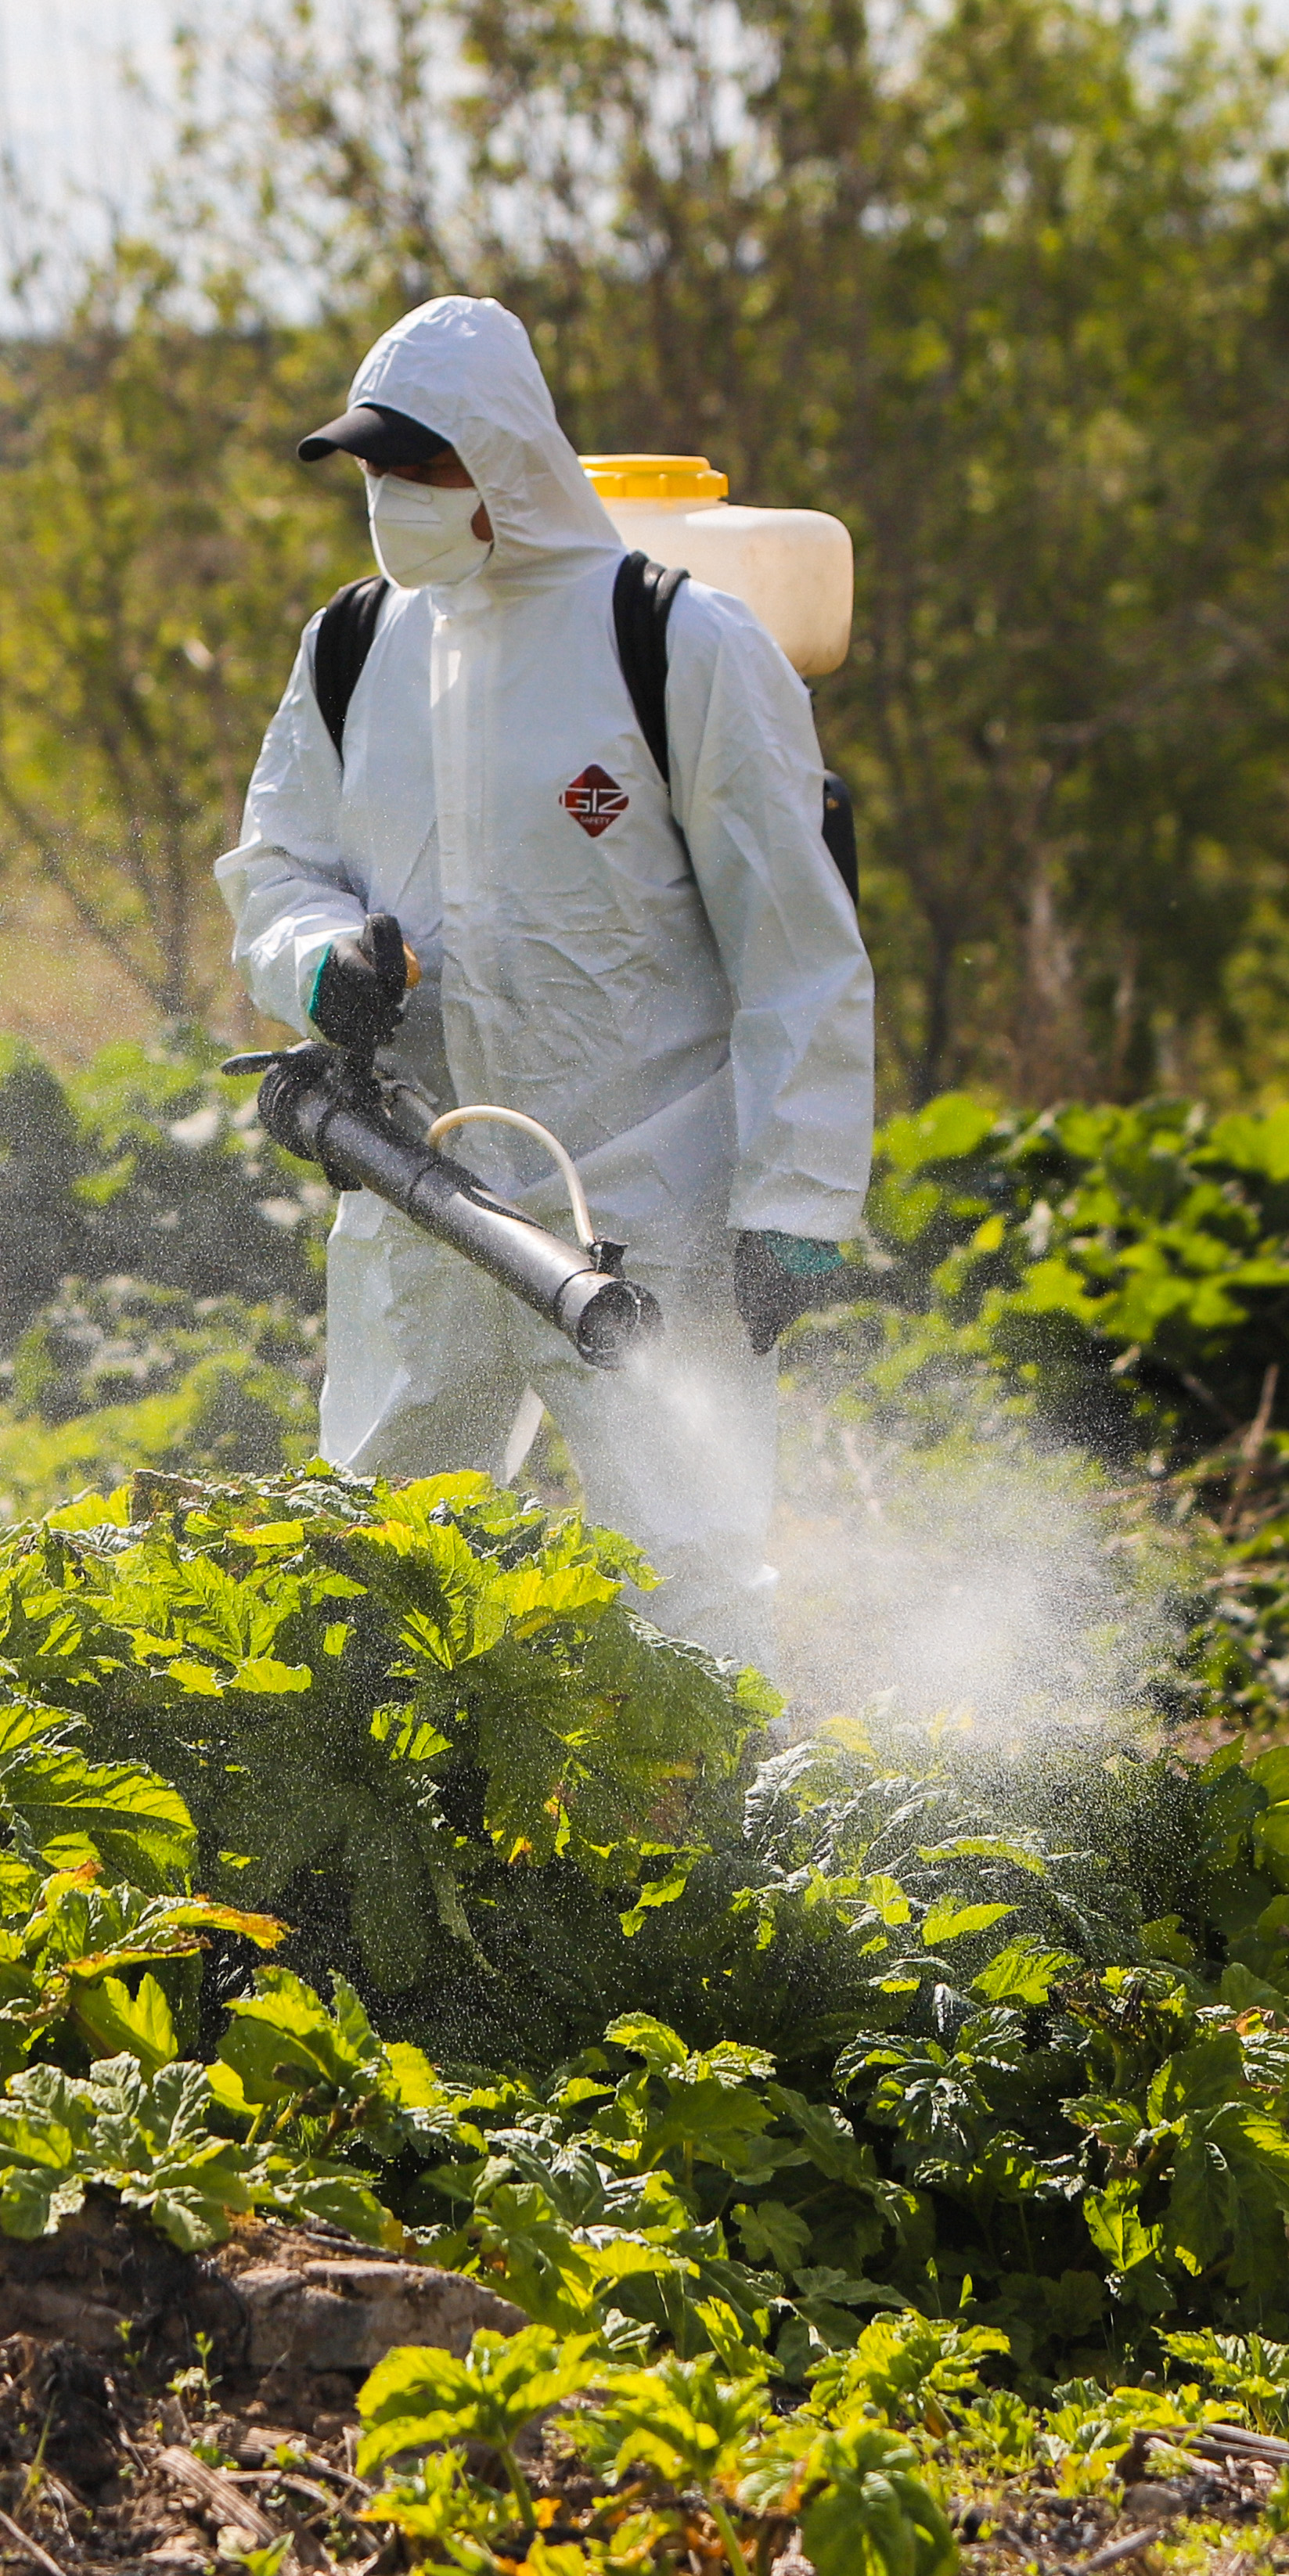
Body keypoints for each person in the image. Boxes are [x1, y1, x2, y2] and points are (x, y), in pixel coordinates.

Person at [213, 295, 873, 1660]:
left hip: (652, 1201)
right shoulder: (352, 649)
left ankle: (719, 1854)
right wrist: (317, 963)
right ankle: (400, 1852)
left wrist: (800, 1192)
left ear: (508, 461)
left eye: (423, 466)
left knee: (692, 1589)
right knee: (380, 1571)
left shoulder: (678, 646)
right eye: (375, 471)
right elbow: (273, 866)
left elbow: (797, 947)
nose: (393, 498)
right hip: (421, 1188)